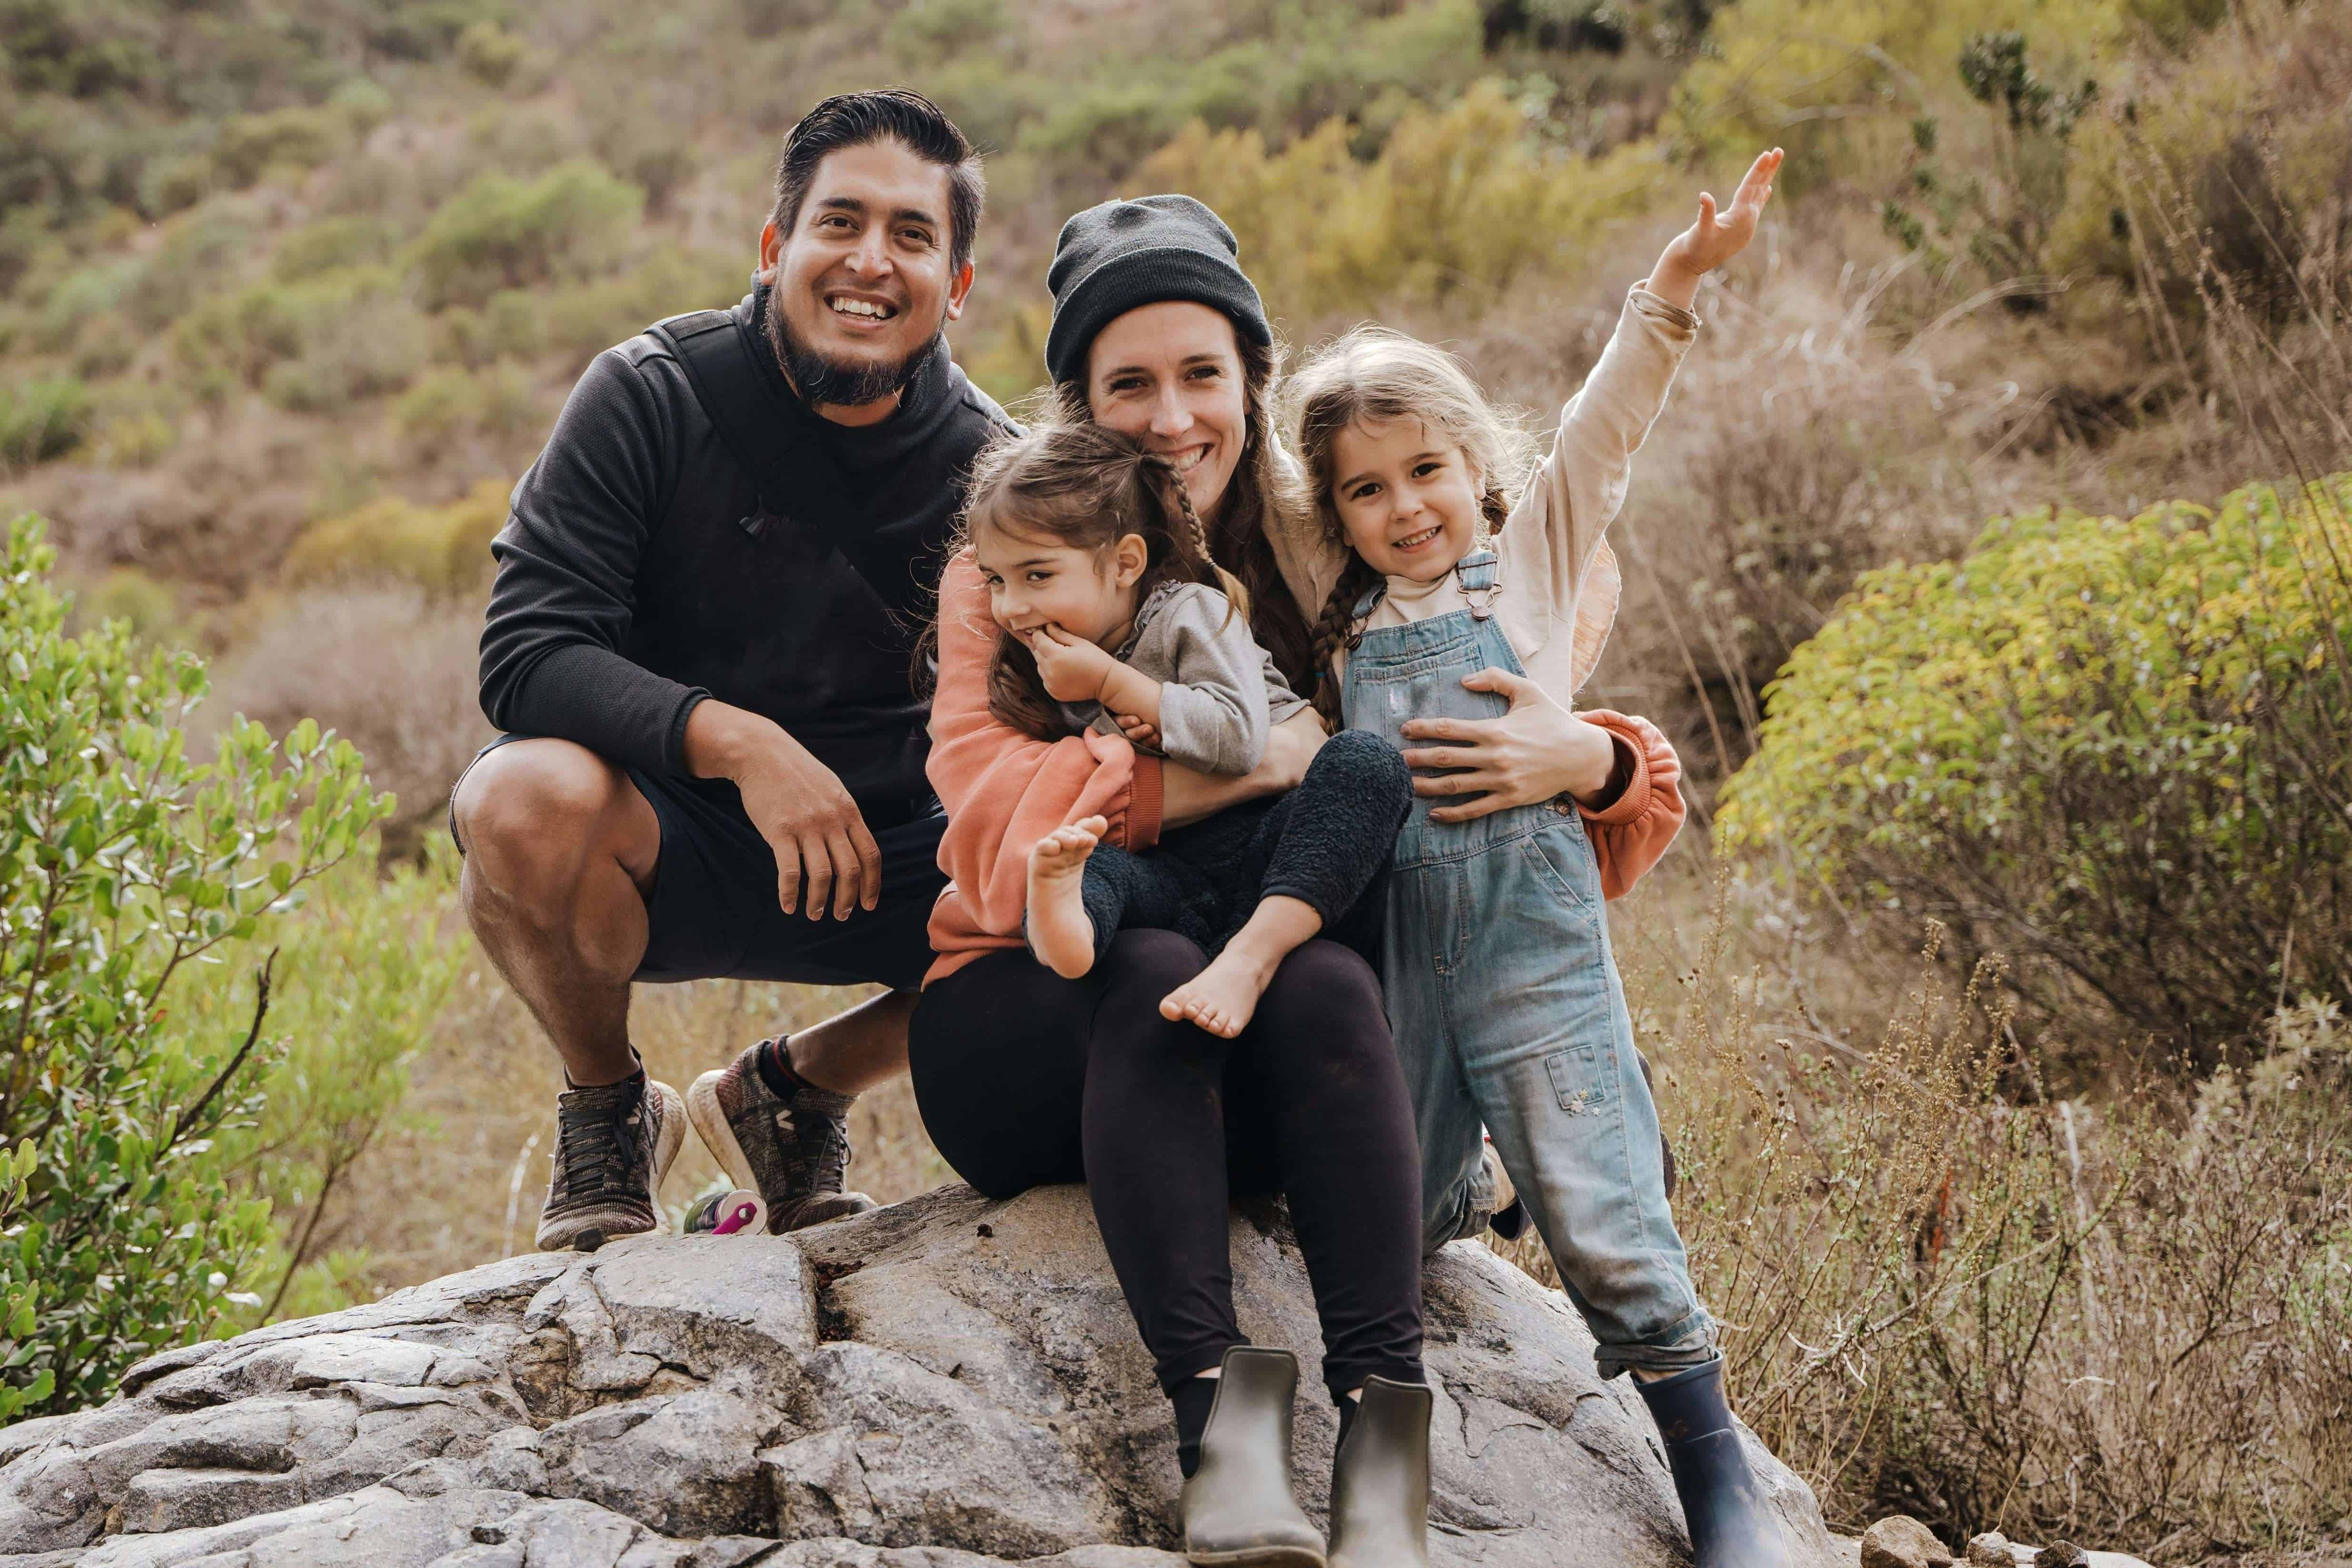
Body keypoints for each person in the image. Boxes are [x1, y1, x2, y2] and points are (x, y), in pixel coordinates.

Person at [1276, 149, 1790, 1568]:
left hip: (1536, 953)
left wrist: (1673, 286)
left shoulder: (1533, 565)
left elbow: (1602, 428)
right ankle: (1470, 1210)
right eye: (1366, 489)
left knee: (1610, 1219)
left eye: (1426, 468)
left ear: (1472, 465)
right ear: (1335, 512)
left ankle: (1714, 1484)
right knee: (1390, 1202)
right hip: (1403, 973)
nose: (1404, 505)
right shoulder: (1340, 636)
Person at [910, 198, 1435, 1565]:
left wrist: (1607, 760)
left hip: (1261, 1040)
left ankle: (1387, 1430)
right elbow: (981, 820)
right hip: (1032, 1013)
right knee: (1143, 961)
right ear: (1076, 402)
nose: (1168, 415)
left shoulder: (1322, 539)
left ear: (1249, 384)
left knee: (1320, 973)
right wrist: (1247, 766)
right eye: (1124, 383)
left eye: (1200, 374)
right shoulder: (1011, 562)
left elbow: (1474, 688)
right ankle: (1219, 1427)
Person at [449, 90, 1012, 1251]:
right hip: (666, 846)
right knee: (518, 802)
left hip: (896, 869)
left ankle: (793, 1094)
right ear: (775, 249)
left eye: (912, 236)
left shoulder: (995, 473)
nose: (871, 260)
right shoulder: (650, 394)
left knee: (1113, 869)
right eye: (839, 223)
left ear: (955, 284)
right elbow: (526, 650)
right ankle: (608, 1109)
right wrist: (739, 743)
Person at [961, 422, 1407, 1036]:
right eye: (995, 579)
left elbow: (1237, 740)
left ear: (1124, 562)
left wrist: (1112, 685)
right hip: (1180, 872)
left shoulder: (1190, 612)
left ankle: (1249, 959)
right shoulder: (1063, 654)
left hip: (1280, 850)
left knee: (1364, 764)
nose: (1010, 606)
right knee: (1091, 867)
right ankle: (1064, 928)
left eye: (1037, 576)